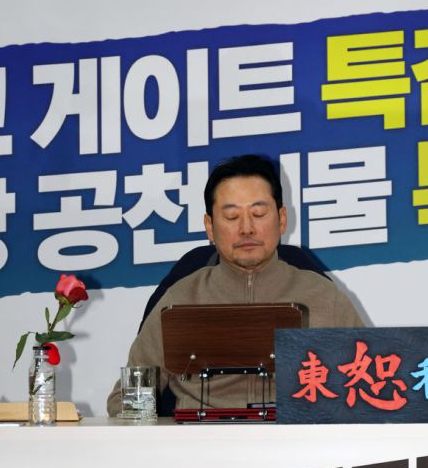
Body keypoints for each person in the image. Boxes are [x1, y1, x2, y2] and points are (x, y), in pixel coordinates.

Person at [107, 154, 364, 415]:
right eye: (231, 216)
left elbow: (370, 388)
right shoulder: (180, 298)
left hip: (294, 435)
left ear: (282, 219)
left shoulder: (324, 297)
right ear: (209, 226)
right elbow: (124, 400)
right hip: (200, 437)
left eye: (259, 213)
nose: (246, 228)